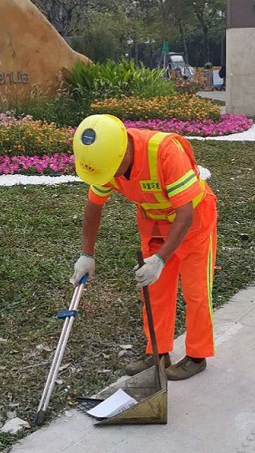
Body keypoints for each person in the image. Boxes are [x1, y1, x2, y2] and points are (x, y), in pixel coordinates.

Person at [70, 114, 218, 381]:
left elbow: (185, 214)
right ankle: (157, 353)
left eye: (111, 171)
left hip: (193, 222)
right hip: (155, 225)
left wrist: (160, 260)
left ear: (124, 150)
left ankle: (197, 356)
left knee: (196, 291)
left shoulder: (163, 152)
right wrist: (86, 254)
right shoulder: (104, 160)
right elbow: (94, 206)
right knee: (154, 292)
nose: (110, 178)